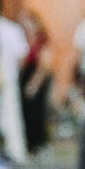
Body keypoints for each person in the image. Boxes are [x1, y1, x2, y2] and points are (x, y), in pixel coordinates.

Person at [0, 9, 30, 162]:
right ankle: (16, 151)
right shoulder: (12, 29)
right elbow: (22, 56)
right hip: (9, 75)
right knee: (11, 115)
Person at [19, 10, 53, 154]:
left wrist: (34, 83)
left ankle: (38, 143)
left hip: (35, 78)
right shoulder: (23, 39)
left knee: (36, 112)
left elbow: (44, 65)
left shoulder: (41, 40)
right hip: (25, 77)